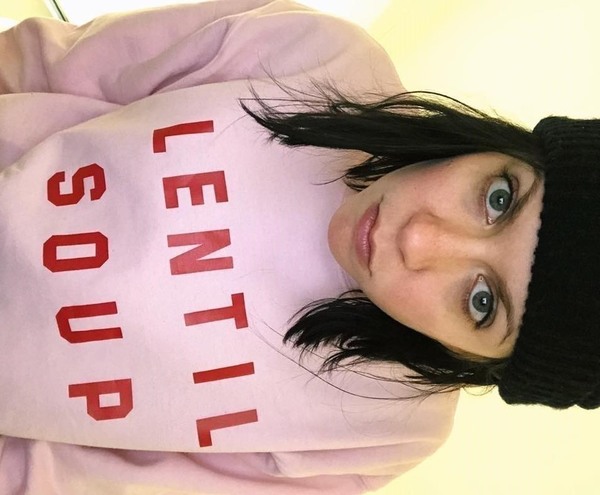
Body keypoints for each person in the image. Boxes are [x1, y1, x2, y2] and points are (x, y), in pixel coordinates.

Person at [0, 1, 597, 494]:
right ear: (506, 147)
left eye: (482, 302)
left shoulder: (385, 431)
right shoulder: (322, 56)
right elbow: (45, 65)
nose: (421, 238)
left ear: (475, 361)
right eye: (498, 198)